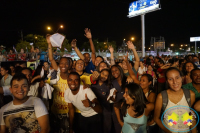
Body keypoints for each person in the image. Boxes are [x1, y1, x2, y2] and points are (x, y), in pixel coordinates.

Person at [154, 67, 196, 133]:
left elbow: (192, 116)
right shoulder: (161, 96)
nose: (175, 82)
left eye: (177, 78)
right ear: (167, 81)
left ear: (181, 78)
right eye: (170, 79)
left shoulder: (190, 94)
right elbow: (156, 118)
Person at [46, 34, 70, 132]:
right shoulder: (56, 76)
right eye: (61, 63)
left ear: (70, 65)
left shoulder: (73, 79)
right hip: (55, 111)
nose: (63, 65)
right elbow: (51, 59)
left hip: (67, 113)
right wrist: (49, 44)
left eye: (66, 63)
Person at [91, 69, 112, 133]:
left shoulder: (108, 86)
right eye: (103, 74)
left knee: (106, 127)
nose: (104, 76)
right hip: (94, 109)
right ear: (99, 73)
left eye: (106, 75)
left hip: (106, 110)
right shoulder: (92, 83)